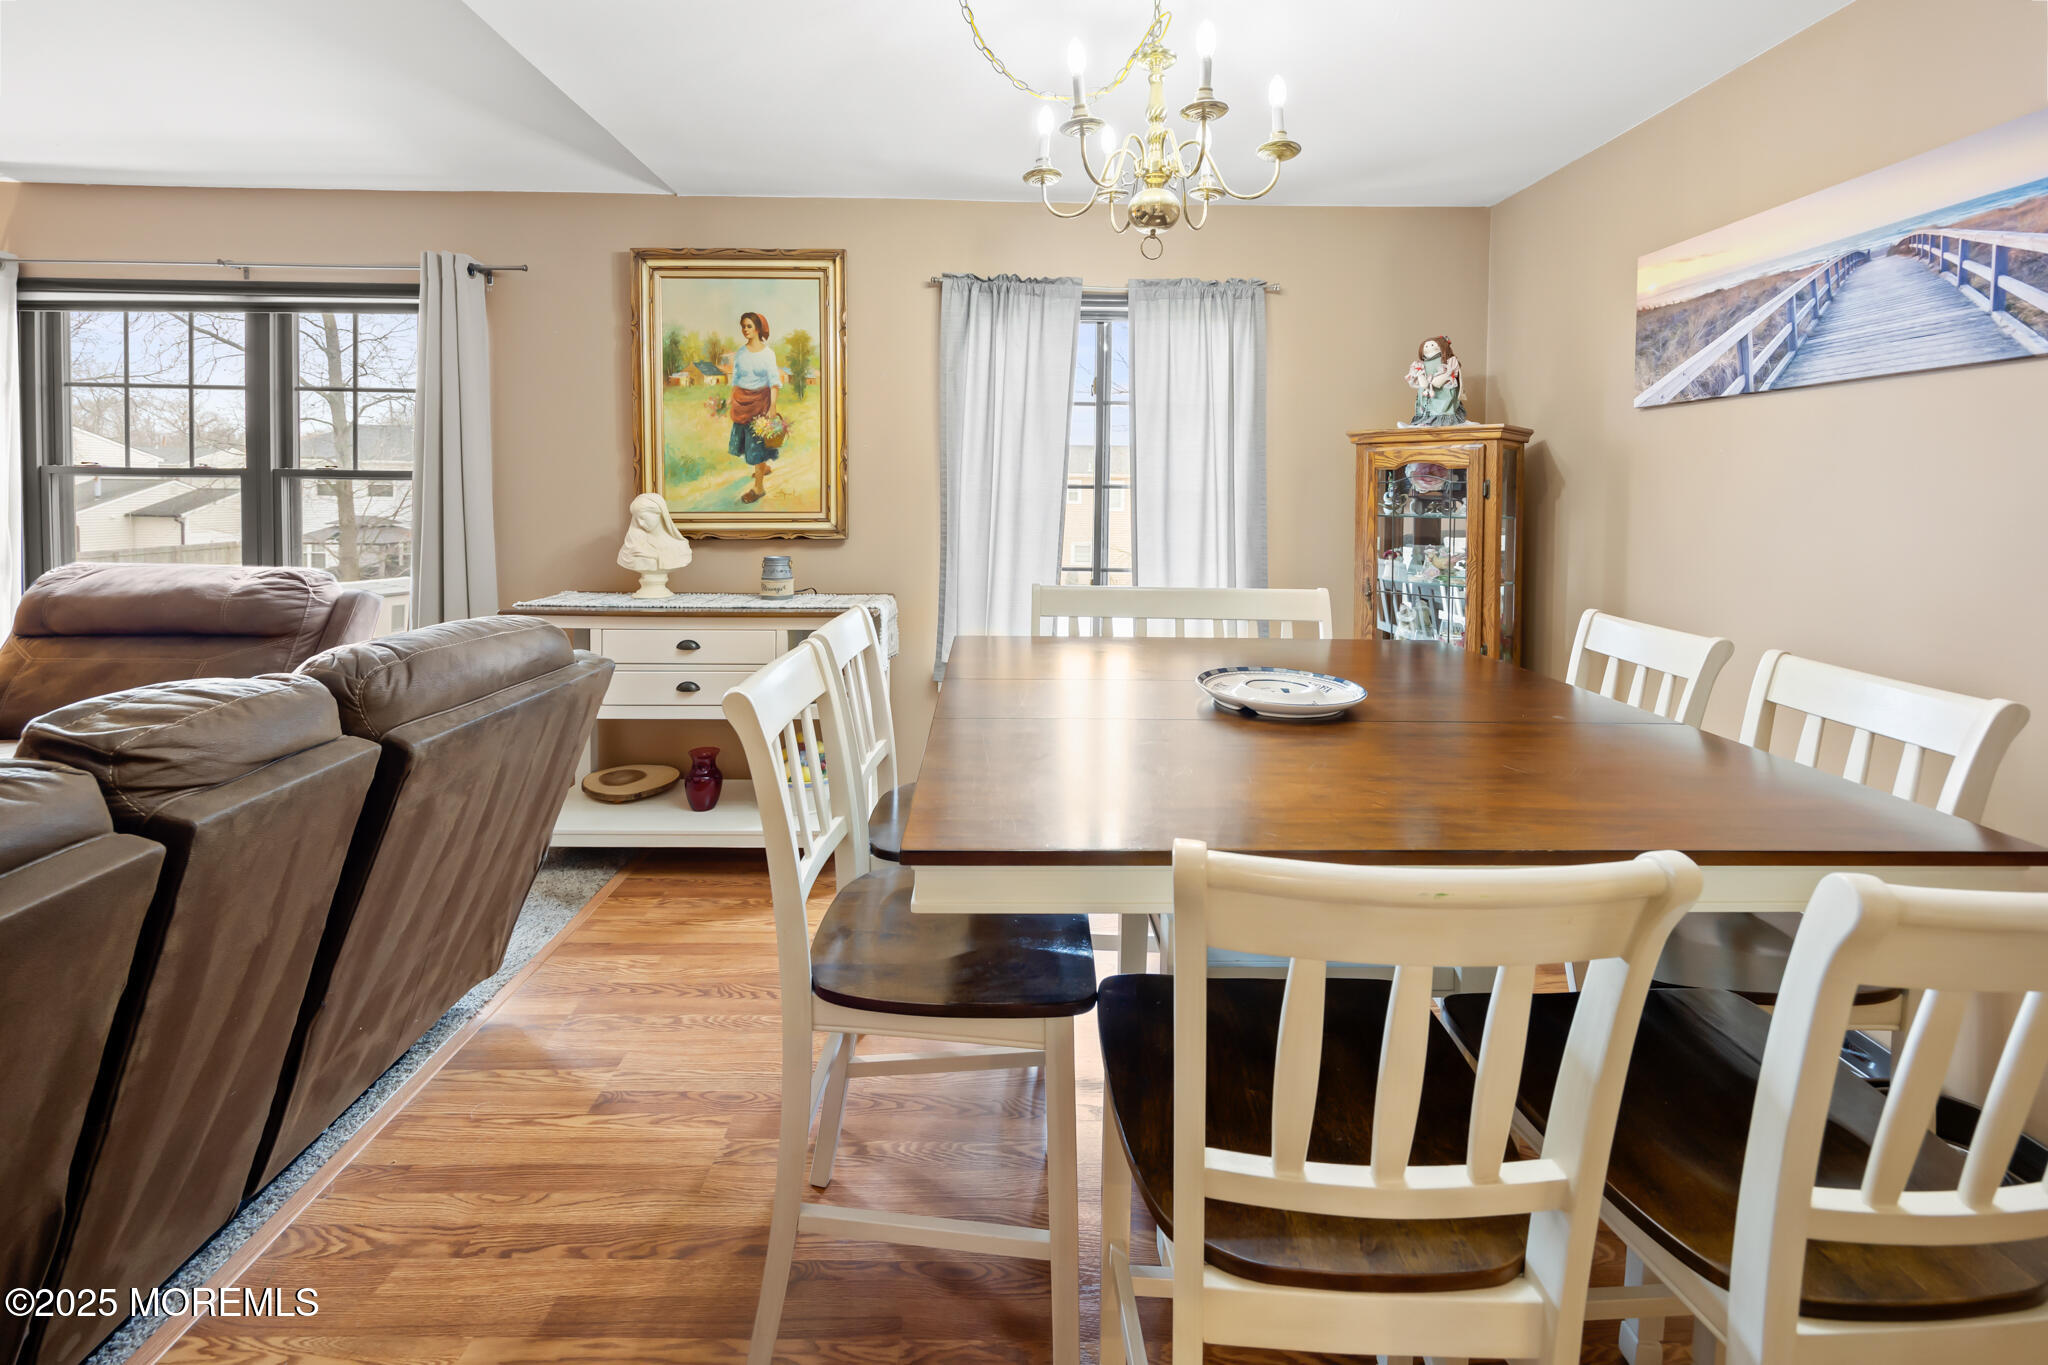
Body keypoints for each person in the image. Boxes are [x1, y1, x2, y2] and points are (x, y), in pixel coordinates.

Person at [727, 311, 781, 503]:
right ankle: (763, 468)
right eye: (743, 326)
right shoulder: (740, 353)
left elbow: (774, 382)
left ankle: (758, 489)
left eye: (749, 326)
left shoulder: (768, 354)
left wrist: (772, 406)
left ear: (758, 328)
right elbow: (736, 378)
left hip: (760, 403)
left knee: (757, 445)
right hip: (742, 403)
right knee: (748, 443)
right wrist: (731, 398)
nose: (745, 330)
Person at [1404, 335, 1467, 426]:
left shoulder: (1449, 361)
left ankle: (1443, 421)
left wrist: (1439, 380)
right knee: (1425, 406)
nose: (1429, 347)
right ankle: (1422, 422)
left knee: (1442, 406)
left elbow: (1449, 373)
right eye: (1426, 346)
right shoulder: (1420, 364)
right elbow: (1420, 377)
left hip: (1442, 390)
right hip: (1426, 391)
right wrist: (1422, 379)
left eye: (1433, 345)